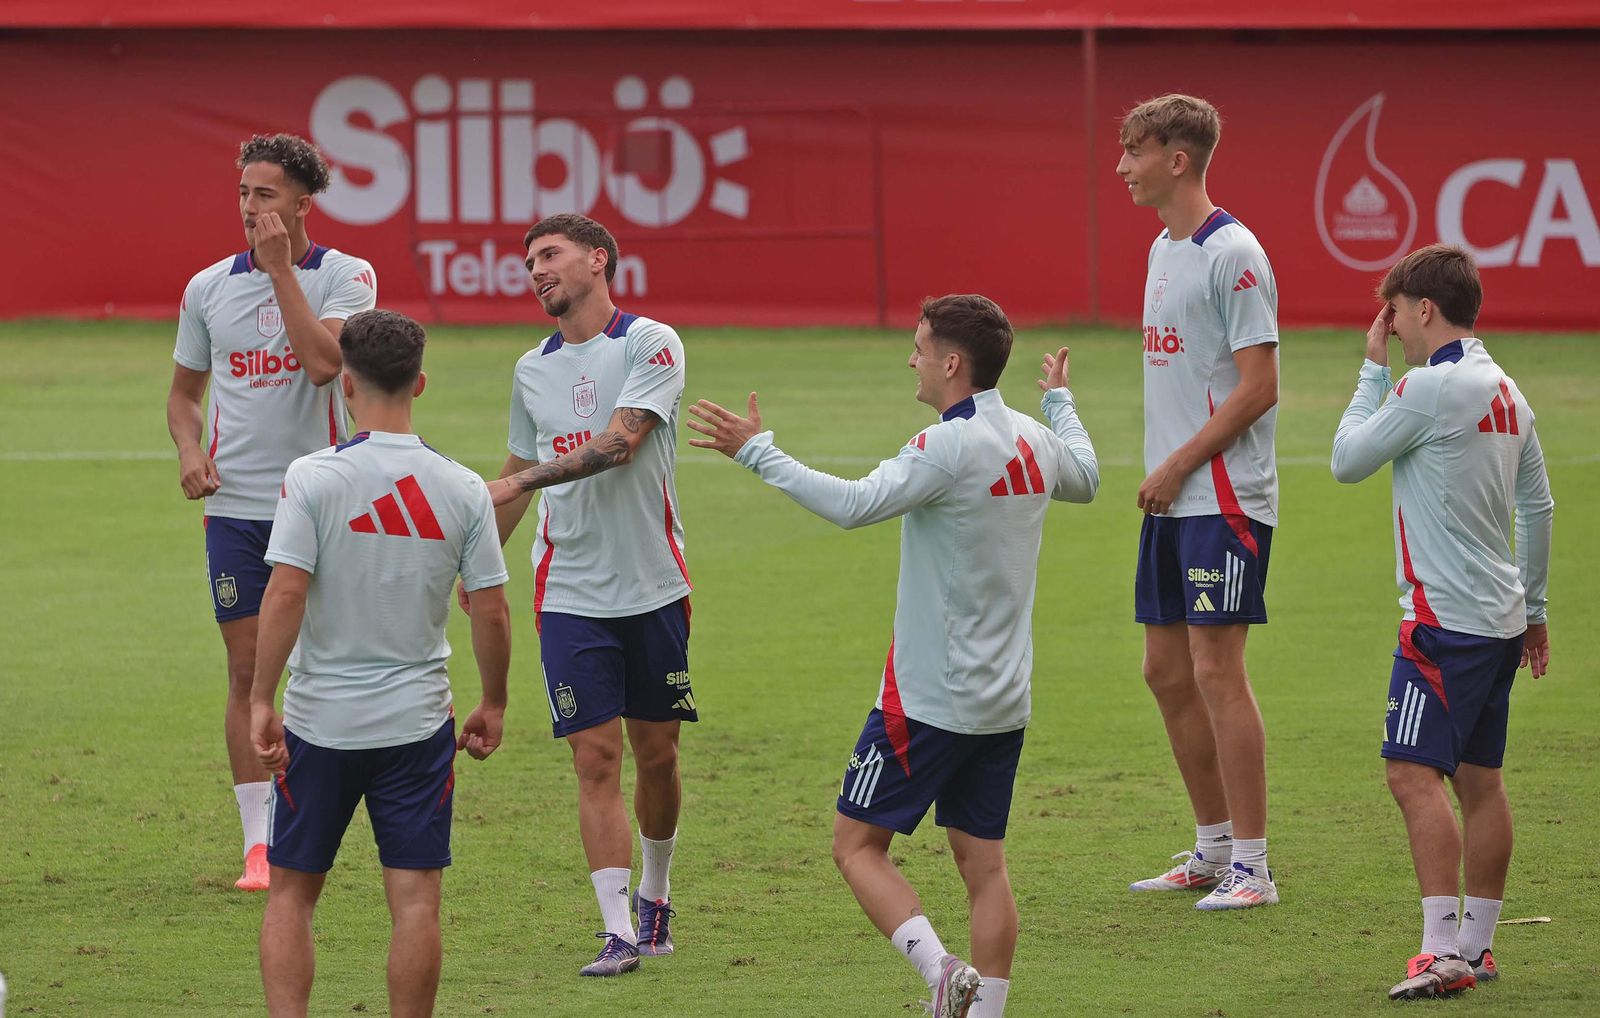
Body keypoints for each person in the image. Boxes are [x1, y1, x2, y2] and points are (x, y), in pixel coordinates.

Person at [687, 295, 1099, 1018]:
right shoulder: (1033, 438)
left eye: (918, 347)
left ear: (951, 363)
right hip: (1004, 700)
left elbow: (852, 504)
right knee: (985, 866)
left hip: (929, 699)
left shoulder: (946, 444)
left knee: (855, 846)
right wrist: (1061, 402)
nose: (909, 359)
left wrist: (755, 450)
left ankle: (941, 971)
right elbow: (1088, 480)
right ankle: (986, 1011)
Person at [248, 309, 512, 1018]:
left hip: (318, 723)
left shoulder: (312, 477)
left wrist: (259, 699)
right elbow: (490, 608)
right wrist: (494, 701)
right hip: (416, 726)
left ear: (346, 387)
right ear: (419, 383)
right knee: (416, 899)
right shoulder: (461, 486)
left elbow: (286, 591)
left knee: (293, 893)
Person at [1330, 245, 1554, 1001]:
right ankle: (1480, 948)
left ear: (1423, 309)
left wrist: (1370, 373)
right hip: (1500, 617)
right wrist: (1538, 611)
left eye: (1393, 310)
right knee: (1481, 780)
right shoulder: (1508, 390)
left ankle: (1440, 951)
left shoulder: (1428, 387)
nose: (1388, 324)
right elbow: (1540, 509)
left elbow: (1347, 461)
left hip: (1442, 623)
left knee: (1411, 774)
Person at [479, 214, 693, 977]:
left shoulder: (650, 343)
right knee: (595, 759)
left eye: (549, 255)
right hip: (566, 591)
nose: (535, 270)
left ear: (597, 260)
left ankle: (657, 893)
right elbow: (514, 468)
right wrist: (468, 566)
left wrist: (521, 479)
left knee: (657, 756)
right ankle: (618, 929)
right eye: (529, 261)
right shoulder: (529, 370)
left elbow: (618, 442)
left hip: (654, 586)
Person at [165, 133, 377, 890]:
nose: (251, 208)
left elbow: (326, 365)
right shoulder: (207, 289)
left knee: (326, 665)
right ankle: (260, 842)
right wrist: (190, 450)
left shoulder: (347, 276)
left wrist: (283, 271)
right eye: (244, 193)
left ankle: (322, 814)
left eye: (266, 194)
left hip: (323, 500)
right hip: (237, 510)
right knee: (250, 668)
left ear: (301, 204)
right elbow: (184, 397)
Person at [1115, 94, 1281, 909]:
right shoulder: (1160, 250)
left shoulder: (1235, 254)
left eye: (1134, 152)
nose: (1122, 168)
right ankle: (1212, 848)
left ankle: (1254, 867)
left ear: (1177, 158)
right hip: (1172, 499)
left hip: (1220, 495)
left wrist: (1178, 464)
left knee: (1219, 671)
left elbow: (1260, 388)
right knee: (1165, 672)